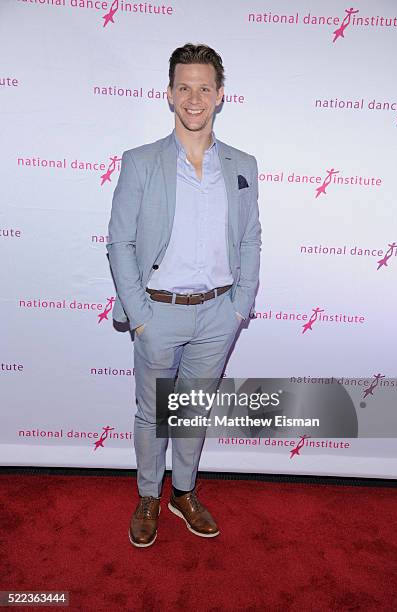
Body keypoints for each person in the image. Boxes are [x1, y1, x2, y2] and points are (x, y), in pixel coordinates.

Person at [106, 43, 261, 547]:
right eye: (184, 87)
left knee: (192, 411)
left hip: (219, 312)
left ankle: (184, 492)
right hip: (159, 313)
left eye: (204, 88)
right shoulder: (141, 161)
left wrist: (240, 306)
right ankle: (149, 495)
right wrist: (140, 315)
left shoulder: (243, 164)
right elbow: (120, 241)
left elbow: (250, 236)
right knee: (153, 412)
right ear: (169, 94)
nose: (194, 98)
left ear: (220, 95)